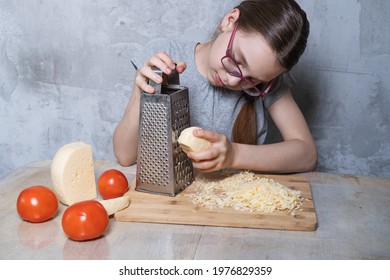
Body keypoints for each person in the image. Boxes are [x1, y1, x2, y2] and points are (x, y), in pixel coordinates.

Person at [113, 0, 317, 173]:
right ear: (230, 21)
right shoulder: (164, 54)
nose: (234, 81)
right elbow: (125, 156)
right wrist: (142, 94)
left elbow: (307, 154)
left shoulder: (269, 82)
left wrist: (235, 154)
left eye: (253, 80)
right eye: (236, 59)